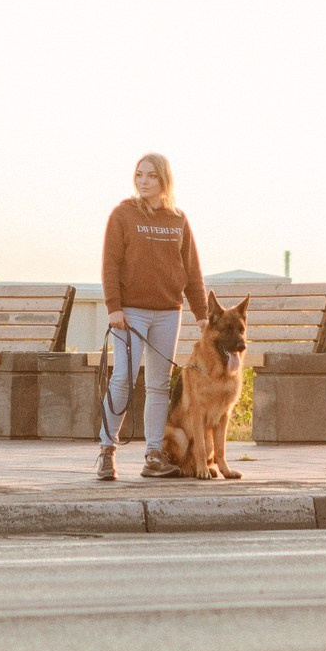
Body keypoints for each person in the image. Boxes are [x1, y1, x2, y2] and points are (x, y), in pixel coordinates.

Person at [96, 152, 207, 481]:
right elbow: (110, 264)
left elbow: (192, 271)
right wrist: (114, 307)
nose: (143, 181)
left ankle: (154, 455)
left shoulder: (178, 219)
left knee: (159, 385)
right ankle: (106, 451)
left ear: (164, 180)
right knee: (123, 378)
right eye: (139, 175)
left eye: (151, 176)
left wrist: (202, 314)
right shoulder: (123, 214)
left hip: (168, 312)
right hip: (130, 314)